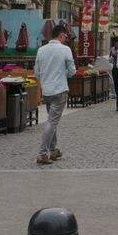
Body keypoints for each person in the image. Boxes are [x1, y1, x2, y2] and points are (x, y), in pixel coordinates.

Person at [34, 23, 76, 165]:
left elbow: (37, 73)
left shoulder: (41, 50)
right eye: (65, 36)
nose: (66, 39)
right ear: (61, 35)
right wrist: (62, 74)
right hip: (60, 89)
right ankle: (42, 153)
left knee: (52, 120)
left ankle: (53, 149)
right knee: (52, 122)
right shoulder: (65, 50)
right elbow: (72, 71)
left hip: (46, 91)